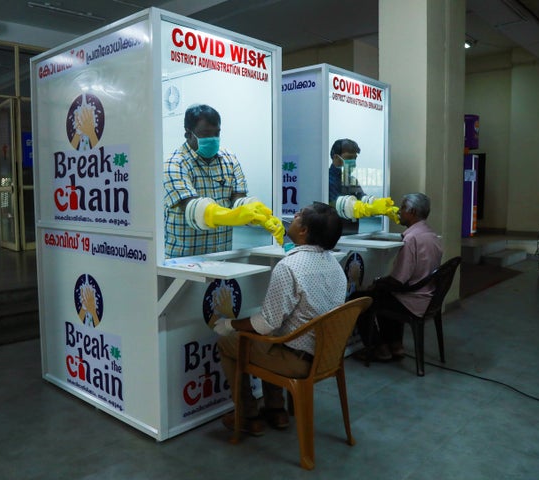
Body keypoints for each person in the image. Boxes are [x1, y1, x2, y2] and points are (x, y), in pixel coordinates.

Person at [211, 202, 348, 436]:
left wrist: (228, 324)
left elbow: (265, 324)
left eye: (299, 215)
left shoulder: (289, 267)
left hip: (298, 360)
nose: (293, 215)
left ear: (304, 231)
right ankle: (276, 410)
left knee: (230, 341)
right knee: (277, 336)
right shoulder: (334, 264)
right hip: (327, 356)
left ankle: (247, 416)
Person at [163, 104, 283, 258]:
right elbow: (193, 208)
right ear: (188, 134)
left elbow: (237, 199)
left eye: (217, 133)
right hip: (184, 259)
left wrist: (256, 213)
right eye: (206, 134)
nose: (213, 139)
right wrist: (234, 216)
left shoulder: (229, 158)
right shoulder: (174, 163)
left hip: (221, 256)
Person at [353, 192, 443, 361]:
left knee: (360, 300)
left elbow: (398, 280)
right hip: (429, 297)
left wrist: (376, 283)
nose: (399, 211)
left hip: (413, 300)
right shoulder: (431, 235)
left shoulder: (411, 239)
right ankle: (395, 345)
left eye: (403, 208)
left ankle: (378, 348)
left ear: (413, 212)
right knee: (384, 294)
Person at [328, 138, 364, 204]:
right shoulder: (327, 181)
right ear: (336, 157)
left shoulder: (352, 181)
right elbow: (336, 207)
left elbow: (362, 198)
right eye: (349, 157)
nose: (353, 162)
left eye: (355, 158)